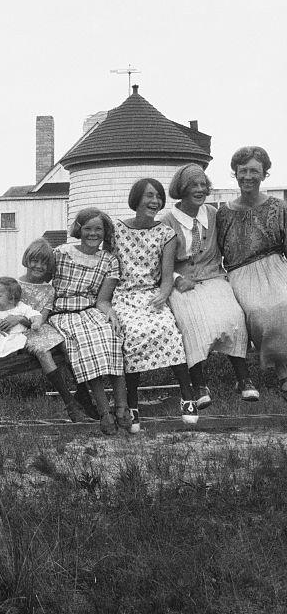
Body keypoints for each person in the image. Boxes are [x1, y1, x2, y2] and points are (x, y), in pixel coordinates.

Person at [159, 164, 256, 406]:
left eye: (203, 184)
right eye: (194, 185)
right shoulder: (167, 221)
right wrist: (177, 280)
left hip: (213, 276)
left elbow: (233, 242)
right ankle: (199, 383)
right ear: (181, 188)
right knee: (191, 321)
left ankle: (243, 379)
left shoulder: (213, 214)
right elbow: (159, 261)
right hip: (181, 282)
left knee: (233, 315)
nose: (200, 189)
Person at [112, 179, 199, 431]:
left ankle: (187, 395)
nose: (155, 201)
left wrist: (163, 294)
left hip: (151, 293)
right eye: (149, 196)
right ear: (136, 199)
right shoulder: (116, 230)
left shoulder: (166, 234)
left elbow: (166, 273)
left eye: (158, 197)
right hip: (124, 296)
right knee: (132, 336)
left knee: (169, 330)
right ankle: (132, 405)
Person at [46, 208, 131, 435]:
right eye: (88, 228)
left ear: (105, 232)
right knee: (86, 344)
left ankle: (122, 408)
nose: (93, 234)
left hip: (90, 310)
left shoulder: (109, 260)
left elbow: (103, 300)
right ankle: (104, 412)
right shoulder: (60, 253)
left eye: (98, 229)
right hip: (63, 314)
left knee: (112, 335)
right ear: (79, 229)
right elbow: (41, 283)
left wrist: (110, 314)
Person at [214, 146, 287, 400]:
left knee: (285, 302)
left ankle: (283, 370)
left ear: (264, 174)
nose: (248, 176)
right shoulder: (223, 213)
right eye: (242, 170)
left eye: (254, 170)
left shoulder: (279, 207)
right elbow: (218, 251)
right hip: (241, 272)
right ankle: (282, 372)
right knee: (260, 311)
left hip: (276, 265)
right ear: (234, 173)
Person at [0, 276, 84, 421]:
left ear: (12, 298)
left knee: (66, 346)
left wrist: (32, 322)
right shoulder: (13, 288)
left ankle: (81, 396)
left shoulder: (29, 300)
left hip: (19, 335)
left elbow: (35, 316)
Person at [16, 238, 95, 420]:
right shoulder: (16, 286)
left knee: (69, 346)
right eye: (35, 261)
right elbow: (9, 311)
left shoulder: (49, 289)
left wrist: (35, 322)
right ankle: (70, 404)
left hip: (40, 327)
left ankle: (84, 394)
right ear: (27, 260)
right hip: (20, 333)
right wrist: (24, 320)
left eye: (44, 263)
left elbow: (43, 315)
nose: (38, 266)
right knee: (44, 352)